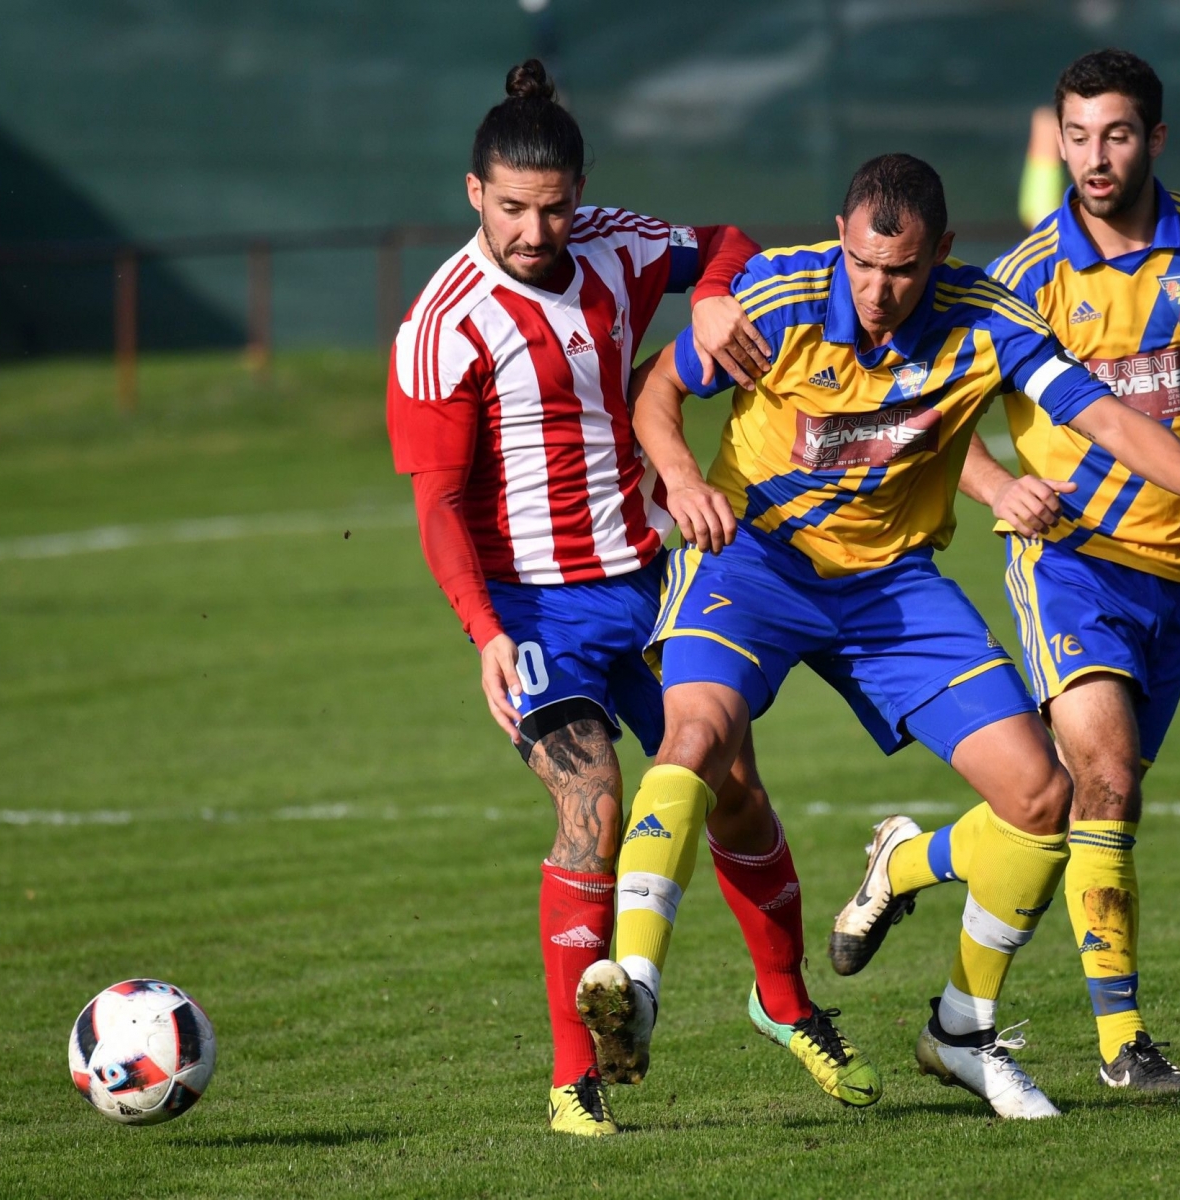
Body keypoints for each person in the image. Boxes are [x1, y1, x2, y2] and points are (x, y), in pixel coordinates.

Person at [577, 153, 1180, 1120]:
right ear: (841, 237)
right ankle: (637, 986)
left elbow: (1101, 414)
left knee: (1043, 797)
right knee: (694, 738)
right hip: (756, 562)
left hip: (892, 589)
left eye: (902, 271)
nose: (878, 290)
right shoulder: (775, 300)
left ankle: (959, 1028)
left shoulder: (986, 317)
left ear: (940, 254)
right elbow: (658, 395)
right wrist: (685, 482)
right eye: (864, 265)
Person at [830, 49, 1180, 1096]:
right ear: (1059, 137)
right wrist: (1000, 493)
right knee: (1106, 779)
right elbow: (932, 421)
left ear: (1156, 139)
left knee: (1070, 805)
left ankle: (905, 862)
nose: (1096, 156)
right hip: (1068, 563)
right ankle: (1122, 1042)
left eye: (1118, 134)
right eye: (1077, 135)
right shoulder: (1027, 277)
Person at [384, 59, 790, 1137]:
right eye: (512, 208)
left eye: (552, 206)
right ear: (475, 192)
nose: (534, 229)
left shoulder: (614, 241)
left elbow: (727, 243)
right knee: (594, 809)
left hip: (651, 583)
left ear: (578, 191)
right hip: (534, 615)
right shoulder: (443, 327)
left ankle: (789, 1007)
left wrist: (709, 304)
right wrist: (483, 638)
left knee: (735, 783)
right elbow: (436, 509)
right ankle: (577, 1082)